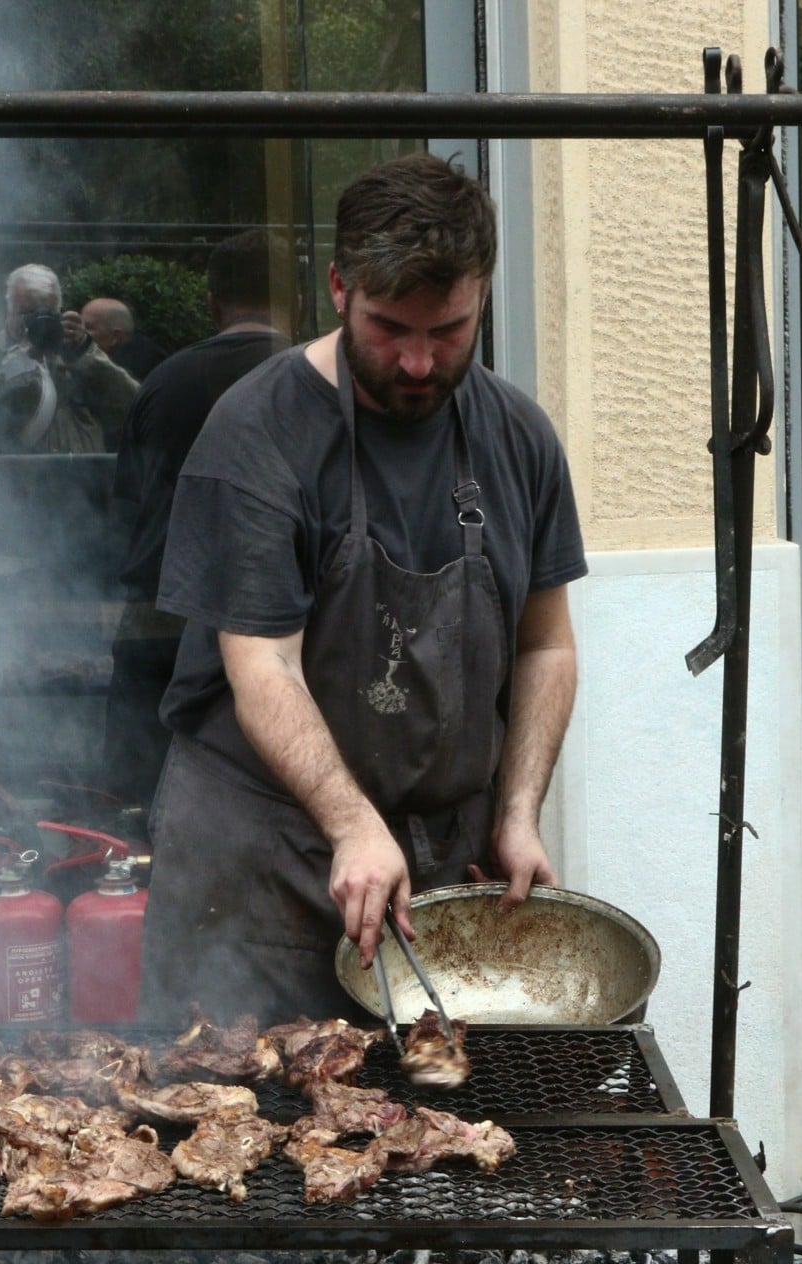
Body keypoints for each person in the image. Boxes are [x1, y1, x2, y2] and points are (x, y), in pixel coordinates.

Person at [139, 155, 586, 1022]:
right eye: (391, 329)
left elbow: (547, 643)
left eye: (449, 331)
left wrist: (520, 810)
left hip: (435, 880)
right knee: (242, 1133)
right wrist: (350, 823)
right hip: (265, 875)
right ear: (339, 287)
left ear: (482, 295)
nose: (419, 363)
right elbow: (261, 664)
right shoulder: (257, 434)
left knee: (426, 1140)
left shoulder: (520, 437)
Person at [106, 230, 291, 806]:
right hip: (285, 637)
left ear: (212, 305)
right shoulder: (316, 385)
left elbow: (129, 506)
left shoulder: (162, 382)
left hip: (162, 619)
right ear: (302, 301)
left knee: (138, 801)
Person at [0, 264, 139, 454]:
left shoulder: (74, 354)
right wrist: (9, 363)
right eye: (26, 313)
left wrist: (85, 354)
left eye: (46, 314)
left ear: (59, 312)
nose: (36, 322)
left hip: (77, 477)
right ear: (9, 309)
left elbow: (134, 410)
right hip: (6, 478)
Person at [83, 296, 169, 382]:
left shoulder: (142, 366)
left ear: (114, 337)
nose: (81, 331)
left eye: (89, 328)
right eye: (80, 324)